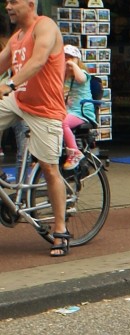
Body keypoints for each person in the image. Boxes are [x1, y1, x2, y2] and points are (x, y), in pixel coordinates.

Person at [0, 0, 69, 256]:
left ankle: (60, 229)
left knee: (50, 168)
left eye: (13, 2)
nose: (8, 6)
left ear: (30, 4)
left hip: (45, 109)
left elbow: (38, 60)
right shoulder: (16, 37)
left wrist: (10, 85)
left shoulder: (45, 27)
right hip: (19, 101)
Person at [60, 44, 93, 170]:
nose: (67, 61)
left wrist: (73, 66)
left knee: (63, 123)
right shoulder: (64, 78)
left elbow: (81, 79)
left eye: (71, 58)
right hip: (69, 111)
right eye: (65, 58)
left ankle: (74, 152)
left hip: (82, 112)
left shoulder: (82, 73)